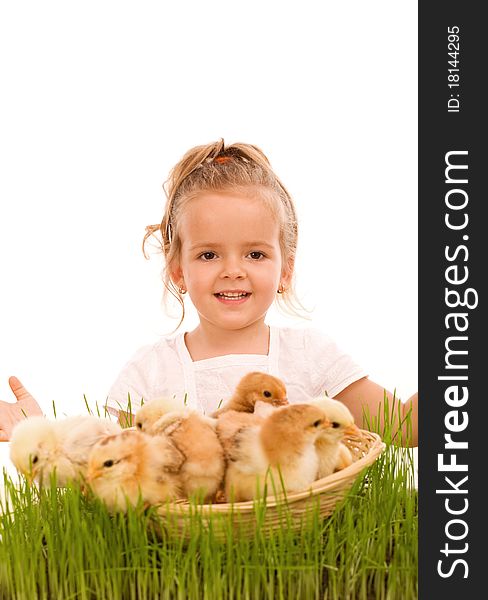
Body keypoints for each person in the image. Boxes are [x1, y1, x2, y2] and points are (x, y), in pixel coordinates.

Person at [0, 140, 418, 446]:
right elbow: (108, 463)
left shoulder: (312, 357)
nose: (232, 271)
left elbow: (404, 425)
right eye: (209, 255)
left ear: (284, 269)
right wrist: (35, 434)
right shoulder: (151, 371)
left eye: (255, 253)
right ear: (178, 270)